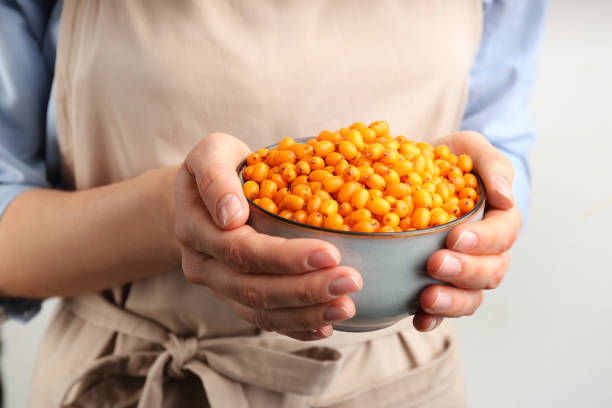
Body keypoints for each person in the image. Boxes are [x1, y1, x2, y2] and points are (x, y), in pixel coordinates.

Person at [0, 0, 547, 406]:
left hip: (395, 381)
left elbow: (500, 149)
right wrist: (181, 215)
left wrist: (484, 216)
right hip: (132, 377)